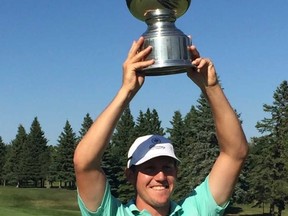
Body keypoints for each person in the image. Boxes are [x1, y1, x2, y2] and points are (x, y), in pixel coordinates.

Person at [73, 36, 249, 216]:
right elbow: (84, 163)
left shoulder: (196, 210)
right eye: (149, 168)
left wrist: (211, 87)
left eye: (167, 167)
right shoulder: (112, 213)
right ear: (130, 175)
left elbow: (235, 153)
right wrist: (126, 91)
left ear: (176, 172)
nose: (161, 177)